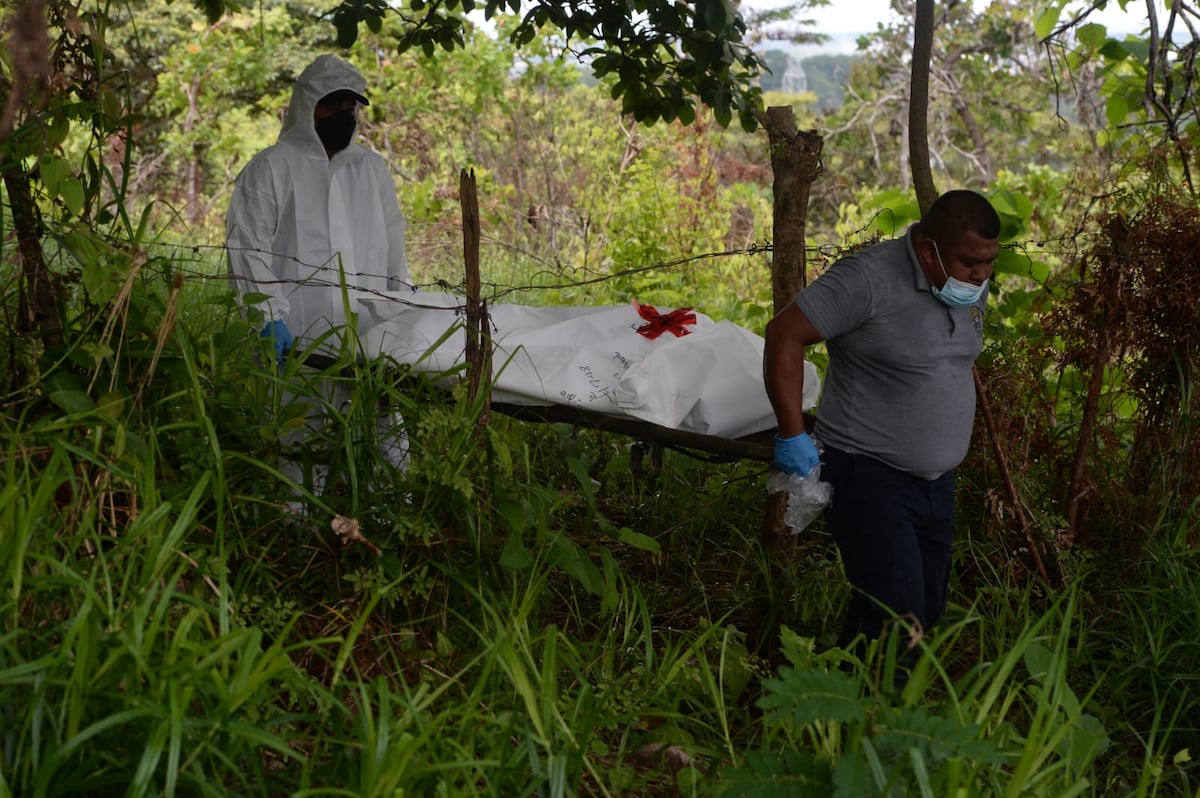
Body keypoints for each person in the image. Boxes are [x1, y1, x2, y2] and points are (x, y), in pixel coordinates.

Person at [763, 189, 1000, 658]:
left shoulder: (968, 284)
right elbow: (784, 335)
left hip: (935, 483)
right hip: (867, 474)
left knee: (922, 608)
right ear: (928, 247)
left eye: (989, 262)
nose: (981, 274)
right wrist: (792, 434)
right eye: (970, 262)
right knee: (900, 619)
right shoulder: (867, 279)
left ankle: (839, 694)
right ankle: (880, 720)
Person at [226, 54, 412, 493]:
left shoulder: (371, 170)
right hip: (296, 335)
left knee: (381, 431)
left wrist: (402, 310)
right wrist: (267, 316)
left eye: (351, 107)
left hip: (369, 331)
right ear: (306, 106)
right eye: (332, 105)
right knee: (298, 434)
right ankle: (296, 532)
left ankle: (389, 515)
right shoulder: (270, 168)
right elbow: (249, 247)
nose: (343, 116)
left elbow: (393, 245)